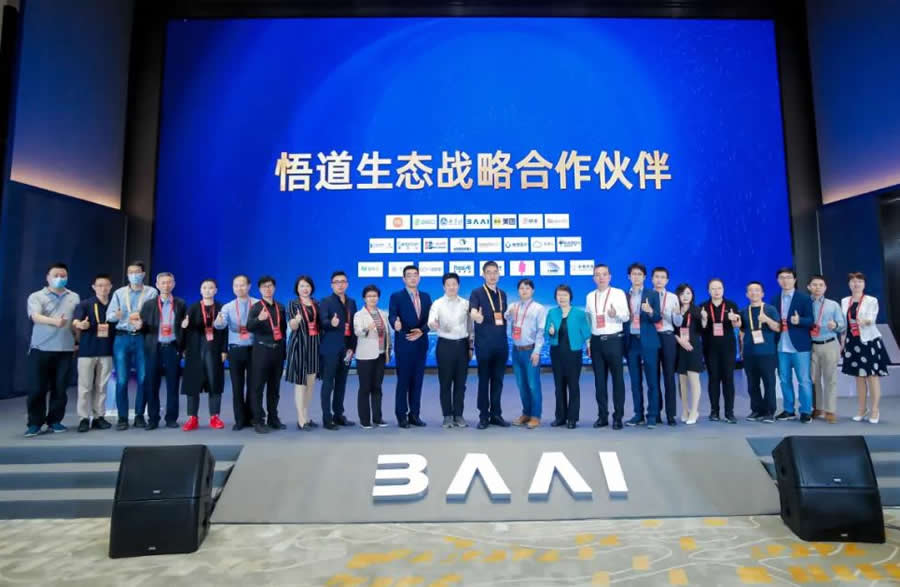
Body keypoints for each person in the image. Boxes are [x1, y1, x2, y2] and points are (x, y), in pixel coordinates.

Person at [24, 262, 81, 437]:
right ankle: (35, 423)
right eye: (56, 275)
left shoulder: (74, 297)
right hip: (41, 348)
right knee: (37, 388)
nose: (60, 278)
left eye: (63, 276)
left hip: (65, 349)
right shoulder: (37, 296)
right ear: (48, 277)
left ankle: (55, 420)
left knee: (60, 388)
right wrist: (55, 322)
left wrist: (77, 340)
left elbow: (75, 322)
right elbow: (35, 316)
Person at [106, 261, 158, 430]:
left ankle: (139, 415)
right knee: (121, 379)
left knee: (143, 378)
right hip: (122, 337)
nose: (134, 275)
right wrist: (117, 315)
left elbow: (155, 315)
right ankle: (122, 417)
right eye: (131, 272)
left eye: (137, 272)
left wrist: (143, 321)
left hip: (142, 337)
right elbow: (109, 316)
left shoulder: (151, 292)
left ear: (143, 274)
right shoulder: (119, 293)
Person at [138, 272, 186, 430]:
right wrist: (139, 327)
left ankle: (171, 418)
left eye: (169, 282)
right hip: (154, 348)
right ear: (157, 285)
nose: (166, 285)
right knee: (152, 384)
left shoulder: (180, 304)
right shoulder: (149, 304)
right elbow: (143, 327)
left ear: (174, 284)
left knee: (173, 384)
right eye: (163, 283)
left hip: (172, 347)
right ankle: (153, 418)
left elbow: (184, 328)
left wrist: (183, 347)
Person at [841, 272, 890, 424]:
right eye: (853, 281)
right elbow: (844, 324)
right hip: (852, 341)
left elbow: (872, 319)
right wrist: (842, 342)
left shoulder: (871, 300)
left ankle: (875, 410)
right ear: (849, 284)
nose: (856, 284)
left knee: (872, 376)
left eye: (859, 281)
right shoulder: (844, 301)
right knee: (859, 377)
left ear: (864, 284)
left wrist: (865, 321)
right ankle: (862, 409)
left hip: (868, 341)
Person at [586, 263, 629, 430]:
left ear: (610, 277)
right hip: (596, 341)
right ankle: (602, 416)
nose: (601, 277)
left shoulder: (618, 293)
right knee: (599, 381)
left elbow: (626, 317)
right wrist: (589, 342)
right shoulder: (590, 296)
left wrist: (615, 314)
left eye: (604, 274)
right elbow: (589, 320)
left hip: (614, 341)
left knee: (618, 381)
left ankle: (618, 417)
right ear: (593, 278)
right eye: (597, 274)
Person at [428, 272, 473, 428]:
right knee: (445, 383)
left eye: (454, 284)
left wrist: (470, 346)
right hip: (445, 346)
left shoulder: (466, 304)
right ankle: (447, 415)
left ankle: (459, 415)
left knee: (461, 383)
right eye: (448, 285)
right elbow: (431, 321)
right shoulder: (437, 303)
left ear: (458, 286)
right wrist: (433, 324)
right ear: (444, 287)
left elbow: (470, 327)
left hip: (462, 346)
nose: (451, 287)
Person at [181, 279, 227, 431]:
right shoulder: (193, 308)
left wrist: (224, 350)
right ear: (200, 290)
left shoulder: (221, 308)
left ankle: (215, 417)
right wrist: (184, 334)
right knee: (193, 383)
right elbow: (186, 329)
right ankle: (192, 418)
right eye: (205, 288)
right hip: (195, 349)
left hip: (214, 349)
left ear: (216, 290)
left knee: (215, 382)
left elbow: (225, 331)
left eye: (211, 288)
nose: (208, 290)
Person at [389, 265, 432, 427]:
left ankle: (415, 415)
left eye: (415, 275)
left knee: (417, 381)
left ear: (419, 278)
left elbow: (430, 320)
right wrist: (395, 324)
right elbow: (393, 315)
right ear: (404, 279)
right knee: (403, 381)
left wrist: (422, 331)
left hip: (420, 344)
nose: (413, 278)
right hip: (404, 343)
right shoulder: (396, 296)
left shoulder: (426, 297)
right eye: (409, 275)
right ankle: (401, 416)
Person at [469, 261, 510, 429]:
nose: (492, 275)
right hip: (484, 345)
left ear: (499, 274)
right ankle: (483, 416)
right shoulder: (476, 293)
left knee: (498, 381)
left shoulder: (503, 294)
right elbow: (472, 312)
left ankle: (496, 414)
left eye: (495, 272)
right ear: (483, 275)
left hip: (501, 345)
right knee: (484, 381)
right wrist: (476, 316)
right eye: (489, 272)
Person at [213, 274, 258, 430]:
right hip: (236, 350)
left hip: (254, 350)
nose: (239, 288)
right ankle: (239, 420)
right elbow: (220, 324)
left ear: (249, 286)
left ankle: (252, 418)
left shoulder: (257, 304)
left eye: (242, 285)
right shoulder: (228, 307)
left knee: (253, 386)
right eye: (236, 285)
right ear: (233, 288)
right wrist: (218, 322)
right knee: (237, 387)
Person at [72, 273, 114, 432]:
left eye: (106, 285)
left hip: (106, 351)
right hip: (87, 351)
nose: (103, 288)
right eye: (100, 285)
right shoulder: (85, 304)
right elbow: (76, 321)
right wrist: (80, 324)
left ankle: (99, 417)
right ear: (94, 287)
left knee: (102, 387)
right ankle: (83, 418)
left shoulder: (114, 305)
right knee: (85, 387)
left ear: (111, 287)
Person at [545, 285, 591, 428]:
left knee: (573, 385)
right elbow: (547, 330)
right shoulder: (552, 312)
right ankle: (560, 417)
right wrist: (550, 331)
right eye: (559, 295)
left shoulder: (579, 313)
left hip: (573, 353)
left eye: (565, 295)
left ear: (570, 296)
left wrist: (589, 346)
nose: (562, 298)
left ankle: (572, 418)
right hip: (556, 353)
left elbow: (586, 332)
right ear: (555, 297)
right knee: (559, 386)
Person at [772, 267, 815, 424]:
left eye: (788, 277)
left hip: (800, 347)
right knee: (784, 380)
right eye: (782, 277)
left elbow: (811, 320)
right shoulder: (774, 299)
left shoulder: (804, 298)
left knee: (804, 380)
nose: (785, 280)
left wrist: (800, 321)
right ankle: (789, 410)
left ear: (795, 280)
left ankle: (806, 411)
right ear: (778, 280)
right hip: (781, 346)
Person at [246, 275, 288, 434]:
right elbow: (249, 326)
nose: (267, 289)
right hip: (261, 351)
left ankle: (273, 418)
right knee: (257, 387)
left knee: (274, 388)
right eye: (264, 287)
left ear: (274, 288)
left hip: (277, 351)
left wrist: (283, 352)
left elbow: (283, 330)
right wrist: (259, 319)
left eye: (270, 286)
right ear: (259, 289)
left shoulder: (280, 307)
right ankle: (258, 420)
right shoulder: (256, 307)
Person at [623, 263, 662, 428]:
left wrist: (650, 311)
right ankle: (638, 414)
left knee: (652, 380)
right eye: (633, 274)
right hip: (631, 341)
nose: (636, 277)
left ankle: (652, 415)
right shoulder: (624, 295)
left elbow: (657, 318)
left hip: (649, 341)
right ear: (629, 277)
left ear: (644, 277)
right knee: (635, 381)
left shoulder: (652, 294)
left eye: (639, 274)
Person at [318, 270, 357, 430]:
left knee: (341, 383)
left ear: (347, 284)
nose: (340, 285)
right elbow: (322, 322)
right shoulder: (326, 301)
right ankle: (327, 419)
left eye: (343, 282)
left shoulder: (351, 302)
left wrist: (352, 348)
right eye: (337, 282)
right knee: (328, 383)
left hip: (346, 349)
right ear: (332, 285)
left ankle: (338, 415)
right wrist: (330, 323)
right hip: (330, 348)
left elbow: (353, 326)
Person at [505, 278, 547, 429]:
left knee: (533, 385)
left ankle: (536, 416)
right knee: (521, 385)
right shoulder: (513, 306)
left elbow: (541, 331)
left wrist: (537, 352)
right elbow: (506, 319)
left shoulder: (538, 308)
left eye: (527, 288)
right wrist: (508, 314)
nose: (524, 291)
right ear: (518, 291)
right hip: (516, 351)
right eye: (522, 288)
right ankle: (526, 413)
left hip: (531, 351)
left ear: (532, 291)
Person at [700, 278, 741, 423]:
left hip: (728, 348)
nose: (716, 291)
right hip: (710, 348)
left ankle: (729, 412)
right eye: (713, 288)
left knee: (728, 379)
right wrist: (704, 320)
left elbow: (737, 325)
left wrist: (735, 320)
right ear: (708, 291)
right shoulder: (703, 307)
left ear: (723, 290)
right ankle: (714, 411)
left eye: (719, 288)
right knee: (713, 379)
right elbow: (700, 329)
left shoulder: (731, 305)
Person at [739, 282, 780, 423]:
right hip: (749, 353)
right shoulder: (744, 311)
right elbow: (742, 332)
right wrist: (742, 350)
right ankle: (757, 410)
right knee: (752, 384)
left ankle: (769, 411)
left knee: (769, 383)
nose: (754, 293)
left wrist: (767, 319)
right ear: (747, 294)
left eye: (757, 290)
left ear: (762, 293)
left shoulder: (770, 309)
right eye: (750, 290)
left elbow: (778, 328)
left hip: (767, 353)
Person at [808, 275, 845, 423]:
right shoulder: (805, 303)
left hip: (829, 344)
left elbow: (842, 325)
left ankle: (830, 410)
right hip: (811, 346)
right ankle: (818, 408)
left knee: (830, 379)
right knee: (813, 379)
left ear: (825, 288)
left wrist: (835, 325)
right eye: (814, 285)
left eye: (821, 285)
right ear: (809, 287)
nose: (817, 288)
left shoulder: (833, 305)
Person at [285, 275, 321, 430]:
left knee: (311, 383)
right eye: (302, 286)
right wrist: (297, 320)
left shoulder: (317, 303)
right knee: (301, 383)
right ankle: (300, 419)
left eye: (307, 286)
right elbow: (292, 326)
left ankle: (306, 415)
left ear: (311, 287)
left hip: (315, 345)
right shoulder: (293, 304)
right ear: (297, 289)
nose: (305, 289)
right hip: (300, 345)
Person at [354, 285, 391, 429]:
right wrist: (367, 328)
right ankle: (364, 420)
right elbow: (358, 332)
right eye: (369, 296)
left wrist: (388, 350)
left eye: (375, 296)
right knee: (365, 388)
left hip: (380, 355)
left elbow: (387, 333)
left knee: (377, 387)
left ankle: (377, 418)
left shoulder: (383, 314)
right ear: (364, 298)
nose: (372, 299)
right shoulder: (359, 315)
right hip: (365, 356)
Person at [652, 267, 680, 426]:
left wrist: (674, 314)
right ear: (652, 279)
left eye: (662, 277)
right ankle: (655, 413)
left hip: (668, 337)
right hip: (652, 337)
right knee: (653, 377)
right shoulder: (647, 295)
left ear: (667, 281)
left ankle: (670, 414)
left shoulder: (673, 297)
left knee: (669, 376)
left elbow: (677, 323)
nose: (659, 280)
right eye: (657, 277)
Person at [672, 284, 702, 424]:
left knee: (694, 379)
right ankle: (685, 410)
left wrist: (705, 319)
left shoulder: (697, 311)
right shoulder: (675, 310)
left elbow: (703, 329)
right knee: (682, 380)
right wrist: (680, 340)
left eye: (688, 293)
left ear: (692, 295)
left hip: (693, 347)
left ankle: (694, 411)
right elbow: (671, 329)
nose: (685, 296)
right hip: (679, 347)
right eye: (682, 293)